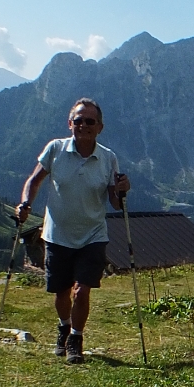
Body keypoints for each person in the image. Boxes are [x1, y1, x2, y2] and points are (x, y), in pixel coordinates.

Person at [16, 98, 129, 364]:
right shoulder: (55, 150)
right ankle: (63, 327)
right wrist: (25, 204)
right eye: (78, 120)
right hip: (57, 235)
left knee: (82, 290)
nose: (84, 125)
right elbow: (34, 181)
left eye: (90, 121)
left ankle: (75, 339)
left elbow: (115, 202)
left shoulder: (108, 158)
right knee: (61, 292)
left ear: (99, 127)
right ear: (70, 124)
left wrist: (123, 190)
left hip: (93, 234)